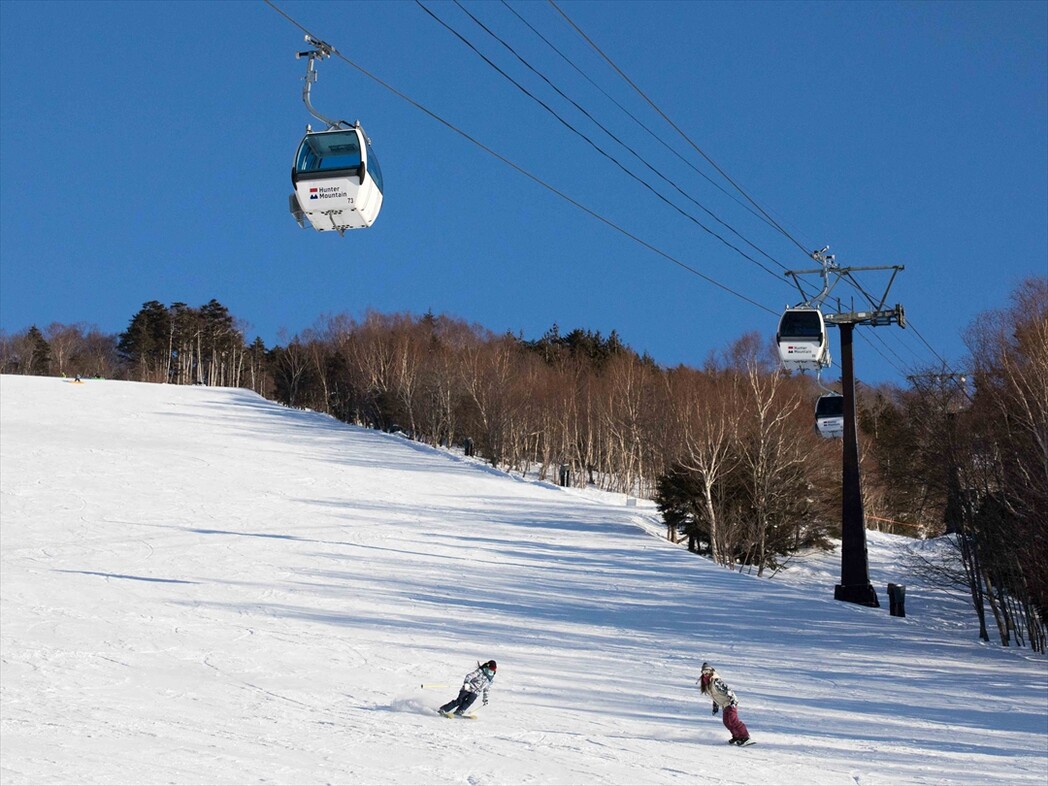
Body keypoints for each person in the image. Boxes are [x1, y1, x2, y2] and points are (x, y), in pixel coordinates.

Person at [698, 661, 752, 745]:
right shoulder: (707, 684)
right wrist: (715, 706)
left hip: (730, 702)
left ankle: (745, 737)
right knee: (727, 722)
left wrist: (732, 700)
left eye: (708, 671)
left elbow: (728, 690)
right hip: (724, 704)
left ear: (711, 671)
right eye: (704, 672)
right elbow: (715, 696)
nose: (706, 674)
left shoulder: (716, 681)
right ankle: (737, 736)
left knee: (733, 720)